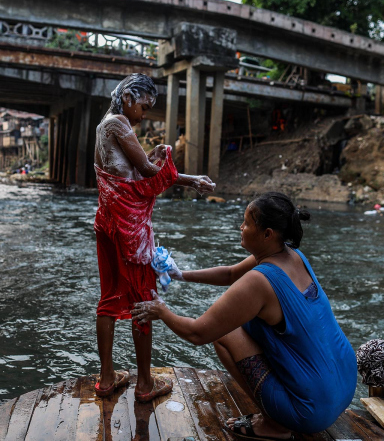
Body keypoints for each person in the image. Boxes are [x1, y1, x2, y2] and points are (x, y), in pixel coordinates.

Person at [131, 192, 356, 439]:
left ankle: (275, 425)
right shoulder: (292, 255)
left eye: (247, 223)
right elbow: (229, 274)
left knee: (224, 332)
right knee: (252, 323)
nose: (241, 227)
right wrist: (180, 274)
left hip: (311, 412)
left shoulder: (259, 282)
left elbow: (197, 333)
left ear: (267, 234)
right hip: (344, 386)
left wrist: (161, 311)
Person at [93, 73, 216, 402]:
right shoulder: (119, 122)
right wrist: (178, 169)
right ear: (129, 98)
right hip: (127, 227)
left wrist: (155, 156)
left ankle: (107, 379)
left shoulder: (106, 125)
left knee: (108, 299)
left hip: (105, 221)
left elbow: (127, 168)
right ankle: (145, 384)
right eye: (144, 107)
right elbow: (146, 171)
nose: (144, 114)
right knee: (143, 301)